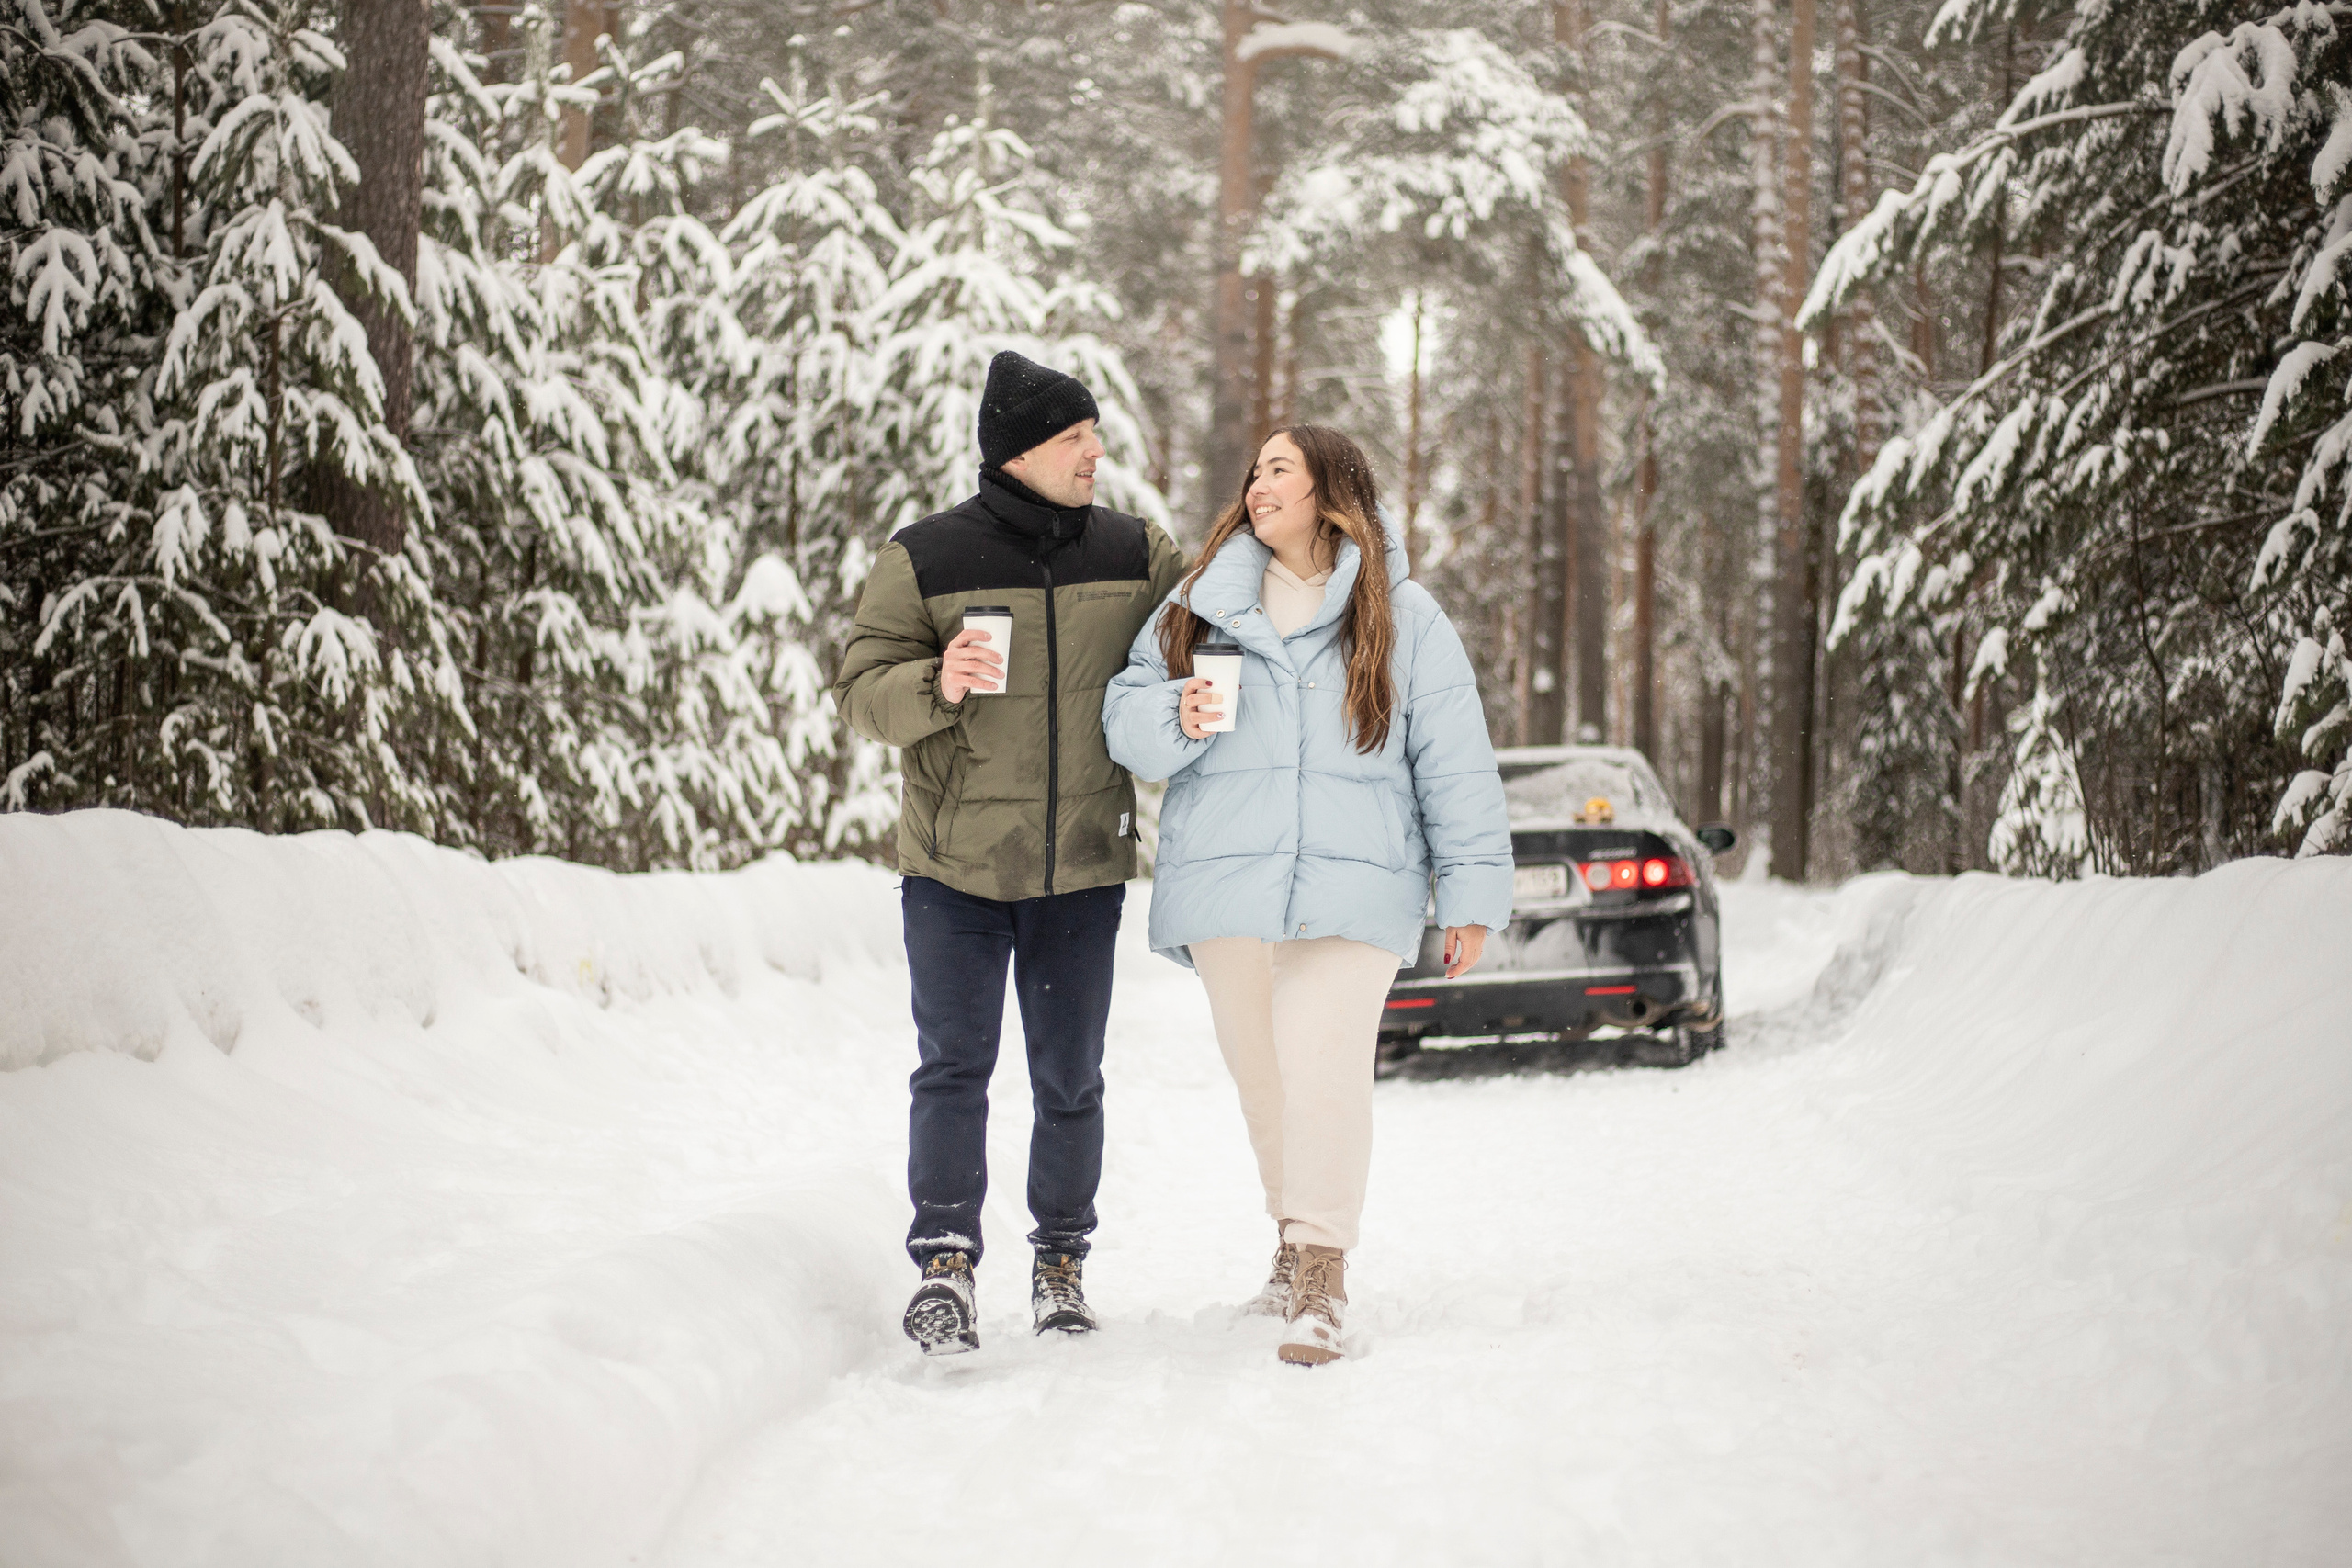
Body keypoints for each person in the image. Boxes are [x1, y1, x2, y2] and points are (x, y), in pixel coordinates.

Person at [1103, 424, 1511, 1367]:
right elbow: (1126, 720)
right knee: (1267, 1086)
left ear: (1332, 488)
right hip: (1230, 885)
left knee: (1322, 1070)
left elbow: (1454, 762)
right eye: (1252, 471)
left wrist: (1471, 894)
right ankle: (1289, 1248)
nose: (1257, 484)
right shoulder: (1198, 605)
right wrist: (1176, 713)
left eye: (1279, 469)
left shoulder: (1404, 616)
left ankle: (1322, 1275)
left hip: (1354, 883)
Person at [835, 351, 1187, 1356]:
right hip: (953, 866)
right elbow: (861, 687)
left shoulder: (1134, 550)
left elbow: (1201, 632)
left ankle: (1060, 1264)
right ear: (1022, 453)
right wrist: (937, 681)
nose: (1097, 454)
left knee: (1070, 1076)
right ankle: (944, 1265)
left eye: (1093, 436)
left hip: (1081, 859)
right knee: (954, 1068)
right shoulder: (925, 557)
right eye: (1078, 439)